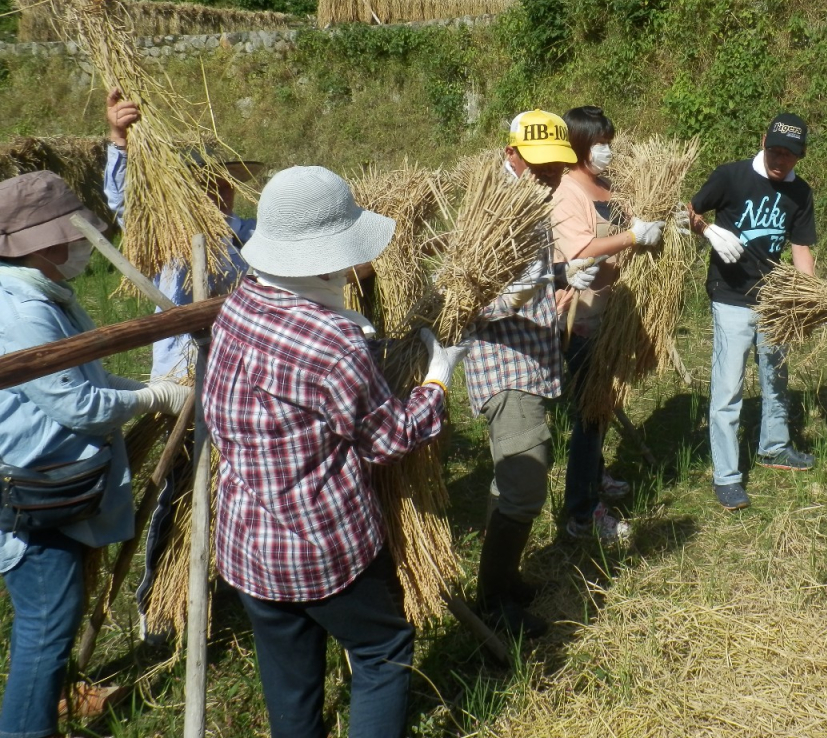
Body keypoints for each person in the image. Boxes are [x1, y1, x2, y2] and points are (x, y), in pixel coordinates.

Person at [202, 166, 463, 738]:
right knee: (382, 650)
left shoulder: (238, 305)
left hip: (247, 545)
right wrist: (436, 385)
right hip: (323, 548)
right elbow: (387, 439)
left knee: (291, 684)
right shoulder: (334, 342)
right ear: (326, 258)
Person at [0, 171, 191, 738]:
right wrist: (154, 394)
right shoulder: (22, 311)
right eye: (73, 235)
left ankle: (52, 704)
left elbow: (77, 373)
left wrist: (132, 391)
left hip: (55, 479)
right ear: (45, 242)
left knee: (55, 616)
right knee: (46, 627)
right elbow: (78, 405)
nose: (83, 244)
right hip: (35, 489)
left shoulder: (40, 292)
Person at [465, 109, 596, 638]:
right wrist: (525, 290)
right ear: (511, 153)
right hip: (505, 362)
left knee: (521, 476)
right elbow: (468, 298)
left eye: (555, 166)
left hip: (531, 355)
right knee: (524, 479)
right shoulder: (493, 211)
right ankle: (494, 600)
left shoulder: (528, 201)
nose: (547, 174)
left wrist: (560, 274)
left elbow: (533, 274)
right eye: (538, 164)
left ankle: (505, 579)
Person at [687, 114, 817, 511]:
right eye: (775, 150)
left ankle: (774, 448)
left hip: (775, 298)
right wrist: (708, 231)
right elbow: (685, 212)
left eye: (789, 155)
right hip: (730, 295)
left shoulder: (800, 193)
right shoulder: (730, 177)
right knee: (728, 388)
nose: (780, 160)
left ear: (800, 156)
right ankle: (726, 476)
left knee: (776, 376)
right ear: (763, 141)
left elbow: (800, 249)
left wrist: (808, 296)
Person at [551, 106, 665, 543]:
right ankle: (581, 512)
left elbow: (634, 225)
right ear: (579, 145)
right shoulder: (567, 191)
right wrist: (632, 236)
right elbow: (580, 248)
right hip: (581, 316)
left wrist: (656, 227)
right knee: (590, 414)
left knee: (598, 406)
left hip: (612, 313)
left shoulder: (607, 186)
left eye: (609, 140)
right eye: (599, 142)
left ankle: (595, 476)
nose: (607, 149)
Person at [104, 86, 264, 380]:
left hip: (247, 374)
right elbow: (125, 204)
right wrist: (119, 141)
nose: (221, 193)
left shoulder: (253, 233)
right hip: (183, 370)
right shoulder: (168, 238)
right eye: (208, 185)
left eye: (226, 184)